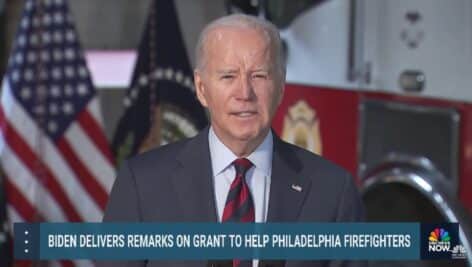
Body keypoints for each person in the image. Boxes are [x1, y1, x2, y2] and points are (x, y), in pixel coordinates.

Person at [100, 14, 365, 267]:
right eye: (228, 76)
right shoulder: (142, 184)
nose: (244, 93)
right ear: (202, 89)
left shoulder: (332, 192)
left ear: (281, 86)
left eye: (259, 76)